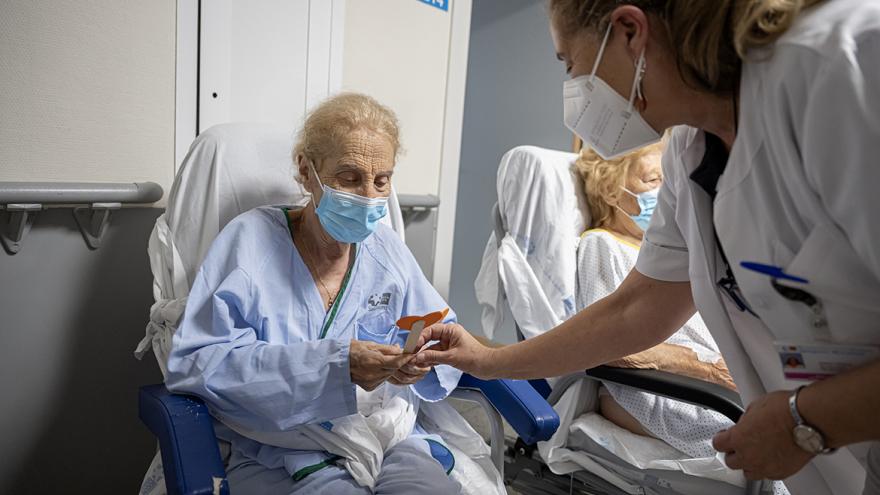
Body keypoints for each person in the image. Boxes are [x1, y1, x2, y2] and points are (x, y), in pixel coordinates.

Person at [413, 1, 880, 493]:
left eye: (569, 63)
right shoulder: (689, 151)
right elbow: (636, 308)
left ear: (630, 31)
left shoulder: (845, 68)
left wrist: (801, 421)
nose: (572, 88)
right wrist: (487, 361)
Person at [165, 93, 503, 495]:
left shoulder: (385, 246)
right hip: (283, 446)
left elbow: (436, 326)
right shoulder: (249, 242)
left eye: (382, 180)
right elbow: (201, 362)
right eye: (349, 177)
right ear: (307, 171)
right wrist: (333, 367)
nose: (368, 197)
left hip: (388, 436)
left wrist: (423, 362)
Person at [570, 142, 738, 458]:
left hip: (715, 384)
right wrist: (708, 370)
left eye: (667, 180)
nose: (664, 194)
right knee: (772, 441)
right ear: (611, 191)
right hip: (662, 389)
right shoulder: (603, 245)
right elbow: (604, 344)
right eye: (651, 181)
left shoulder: (670, 256)